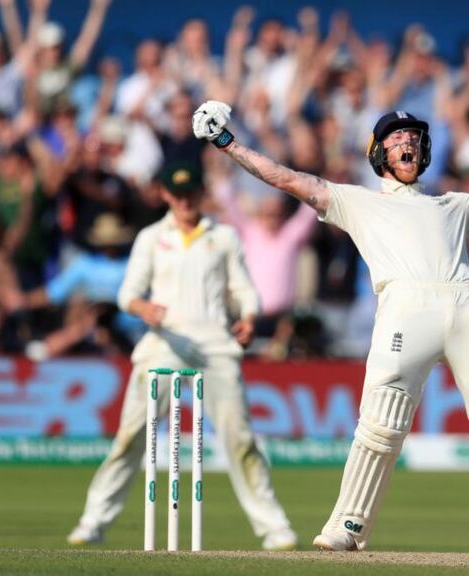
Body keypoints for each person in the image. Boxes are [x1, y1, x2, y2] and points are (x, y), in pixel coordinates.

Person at [191, 100, 469, 553]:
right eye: (397, 139)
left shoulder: (454, 204)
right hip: (404, 307)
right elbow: (285, 177)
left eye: (414, 138)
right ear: (379, 153)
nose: (408, 143)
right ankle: (348, 526)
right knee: (381, 426)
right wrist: (228, 143)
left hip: (464, 305)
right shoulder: (356, 201)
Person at [66, 163, 298, 551]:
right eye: (179, 195)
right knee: (130, 437)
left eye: (192, 193)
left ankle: (274, 528)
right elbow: (127, 293)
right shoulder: (151, 237)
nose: (186, 200)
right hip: (164, 344)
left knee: (240, 439)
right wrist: (143, 308)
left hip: (214, 344)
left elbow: (244, 289)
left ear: (200, 194)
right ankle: (93, 522)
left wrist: (249, 316)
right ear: (167, 196)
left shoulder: (223, 236)